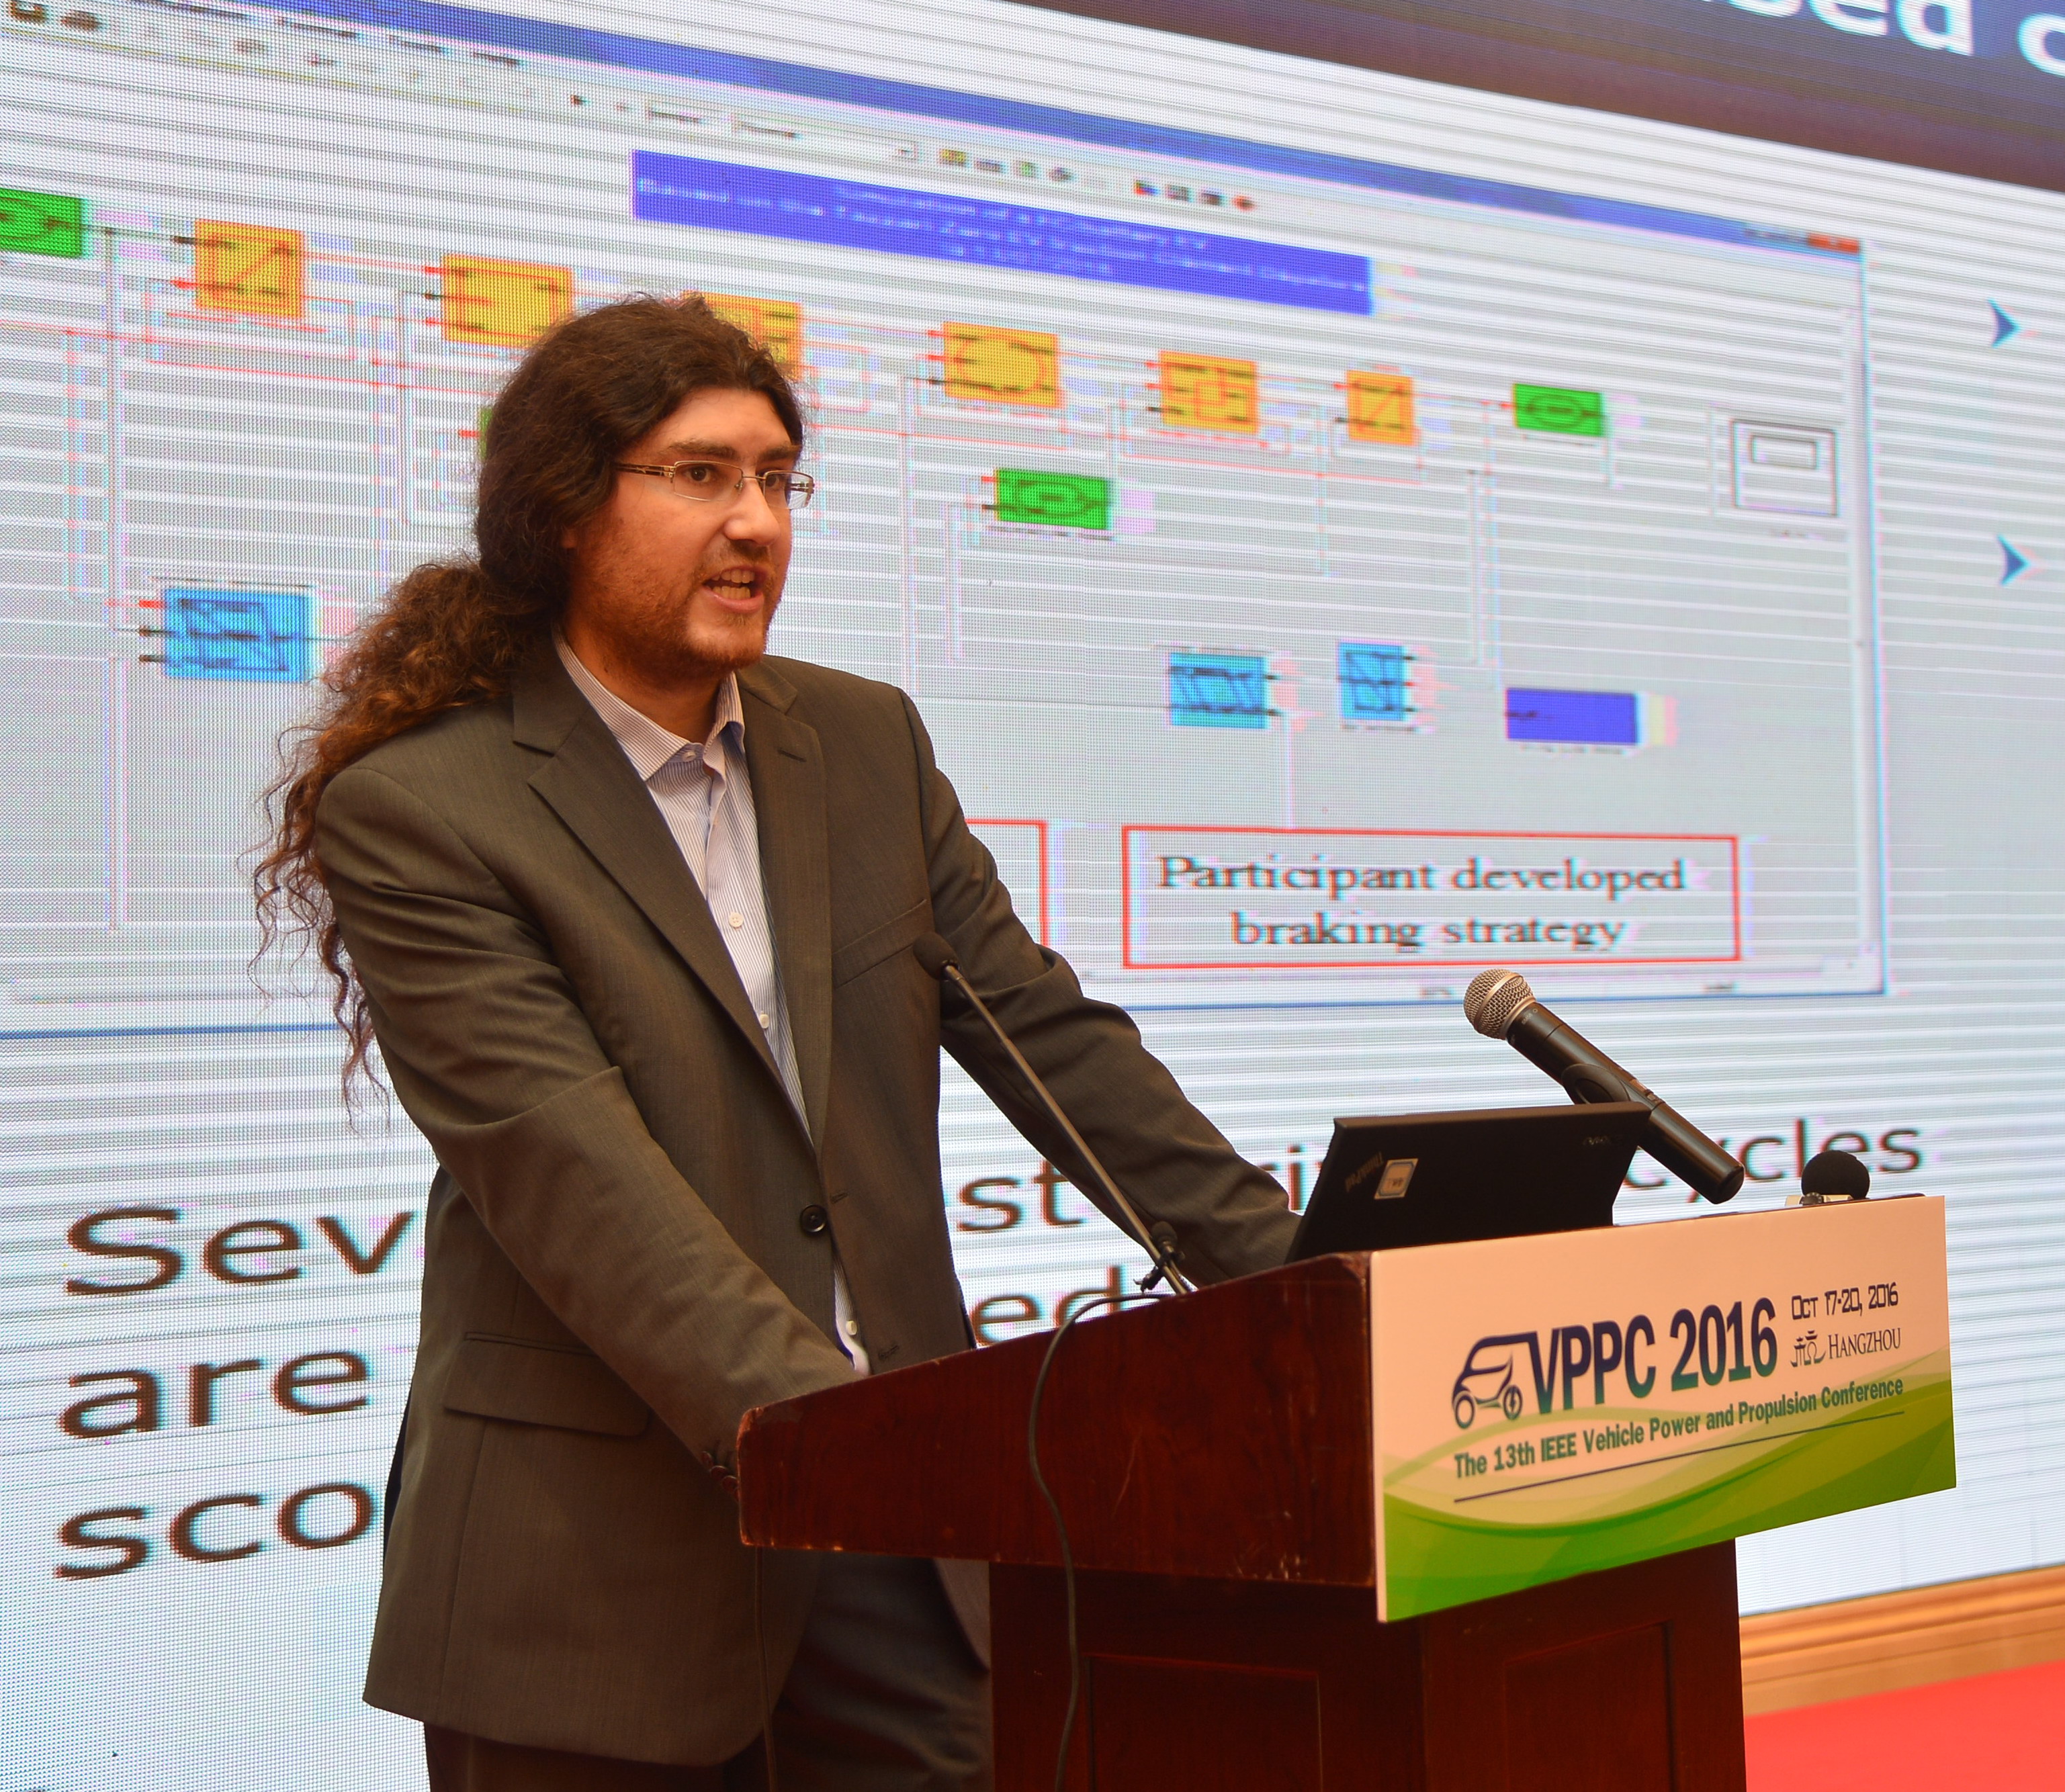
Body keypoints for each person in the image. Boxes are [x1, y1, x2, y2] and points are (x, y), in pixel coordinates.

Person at [255, 294, 1299, 1791]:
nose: (755, 522)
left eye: (776, 478)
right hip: (592, 1572)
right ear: (562, 510)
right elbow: (573, 1180)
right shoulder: (426, 806)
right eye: (697, 475)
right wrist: (851, 1442)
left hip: (894, 1548)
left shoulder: (863, 742)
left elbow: (1052, 1043)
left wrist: (1317, 1291)